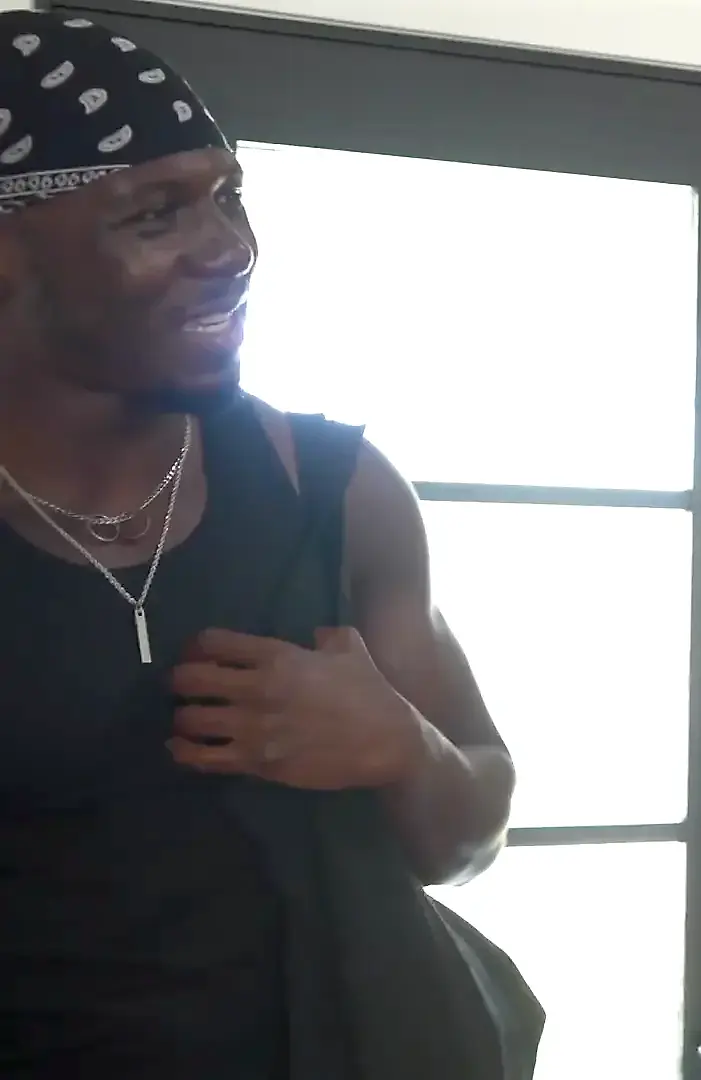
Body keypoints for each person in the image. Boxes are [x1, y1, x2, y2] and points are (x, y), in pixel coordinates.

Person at [0, 12, 519, 1079]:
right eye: (155, 215)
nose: (230, 250)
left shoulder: (331, 490)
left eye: (229, 197)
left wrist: (400, 748)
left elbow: (469, 835)